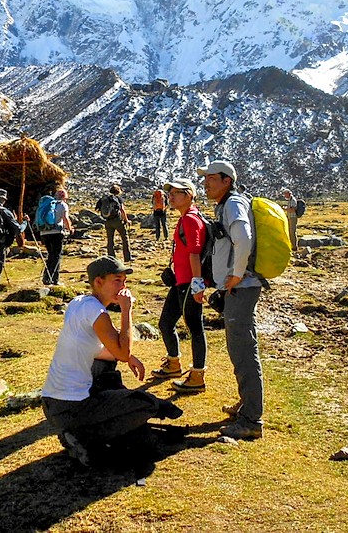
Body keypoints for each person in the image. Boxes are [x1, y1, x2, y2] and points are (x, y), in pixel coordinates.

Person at [42, 256, 182, 466]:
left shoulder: (79, 303)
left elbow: (100, 349)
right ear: (98, 282)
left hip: (52, 403)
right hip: (73, 406)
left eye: (124, 281)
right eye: (117, 280)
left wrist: (128, 357)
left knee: (110, 369)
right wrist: (127, 311)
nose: (123, 287)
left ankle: (81, 433)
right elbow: (122, 352)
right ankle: (85, 438)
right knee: (146, 405)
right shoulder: (96, 311)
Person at [197, 159, 264, 440]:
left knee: (242, 348)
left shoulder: (234, 204)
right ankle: (247, 404)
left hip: (243, 286)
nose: (205, 183)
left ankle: (251, 420)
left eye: (211, 178)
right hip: (239, 286)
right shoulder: (227, 204)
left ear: (227, 180)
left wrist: (236, 275)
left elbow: (244, 239)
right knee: (241, 345)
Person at [153, 178, 208, 393]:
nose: (171, 196)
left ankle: (197, 376)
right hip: (181, 281)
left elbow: (195, 252)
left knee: (195, 328)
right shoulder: (185, 218)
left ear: (190, 195)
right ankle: (174, 364)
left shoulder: (190, 220)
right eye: (171, 193)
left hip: (189, 282)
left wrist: (197, 283)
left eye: (177, 193)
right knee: (166, 323)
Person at [39, 187, 73, 286]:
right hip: (57, 233)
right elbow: (65, 219)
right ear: (64, 197)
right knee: (57, 256)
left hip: (44, 233)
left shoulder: (48, 205)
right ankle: (54, 280)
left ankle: (46, 277)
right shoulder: (63, 205)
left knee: (50, 255)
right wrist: (70, 229)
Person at [97, 184, 131, 262]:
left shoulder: (105, 199)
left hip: (108, 221)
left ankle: (111, 258)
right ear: (118, 191)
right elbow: (122, 210)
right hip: (117, 220)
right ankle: (127, 258)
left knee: (110, 240)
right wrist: (126, 220)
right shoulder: (117, 198)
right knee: (124, 238)